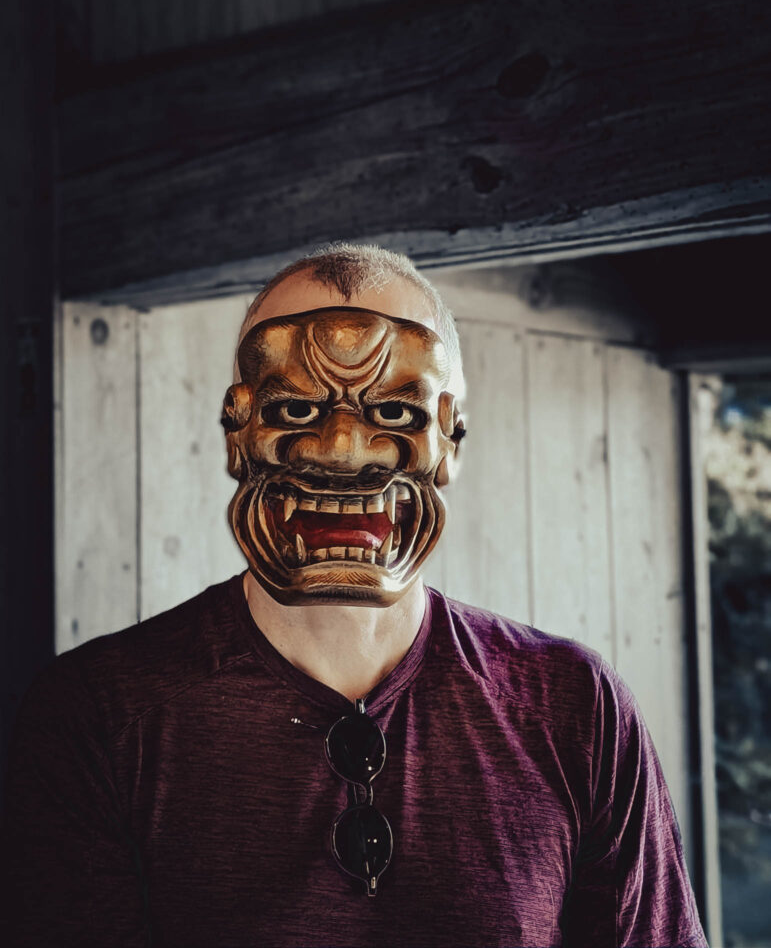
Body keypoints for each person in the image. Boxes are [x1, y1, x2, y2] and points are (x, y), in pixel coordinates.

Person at [3, 243, 708, 947]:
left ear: (451, 438)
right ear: (237, 430)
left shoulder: (574, 705)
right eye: (298, 408)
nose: (342, 450)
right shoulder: (98, 713)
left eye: (395, 416)